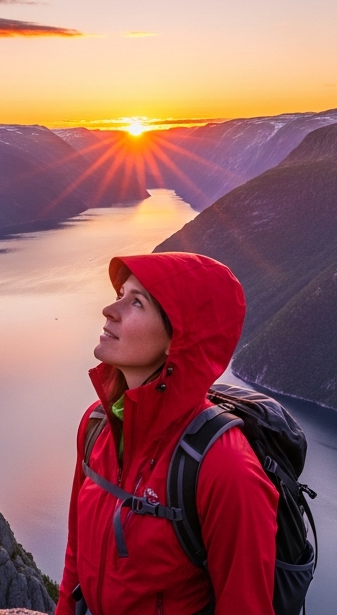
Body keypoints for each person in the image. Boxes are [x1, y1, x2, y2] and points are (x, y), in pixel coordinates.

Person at [56, 252, 278, 615]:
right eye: (121, 294)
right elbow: (75, 554)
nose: (110, 310)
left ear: (178, 340)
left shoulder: (225, 467)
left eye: (136, 302)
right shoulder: (98, 424)